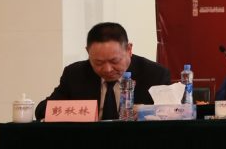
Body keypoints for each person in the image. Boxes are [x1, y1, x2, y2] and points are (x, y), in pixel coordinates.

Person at [35, 22, 171, 120]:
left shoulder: (155, 75)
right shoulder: (75, 73)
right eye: (98, 62)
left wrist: (144, 111)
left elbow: (172, 115)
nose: (107, 69)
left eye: (114, 61)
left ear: (129, 49)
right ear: (88, 52)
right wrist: (79, 111)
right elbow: (42, 110)